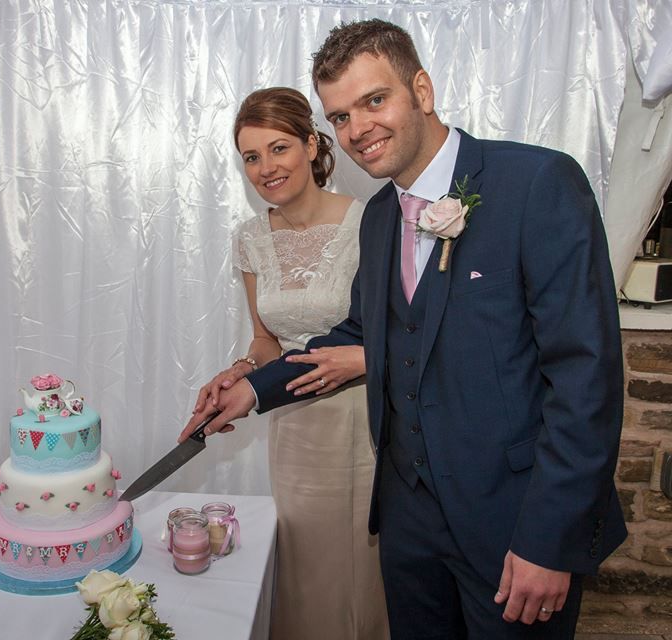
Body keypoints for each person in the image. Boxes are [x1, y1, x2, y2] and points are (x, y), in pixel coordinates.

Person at [182, 19, 626, 639]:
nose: (358, 128)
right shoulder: (380, 219)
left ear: (421, 89)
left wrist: (550, 540)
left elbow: (587, 380)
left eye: (374, 100)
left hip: (513, 523)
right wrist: (251, 391)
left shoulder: (537, 184)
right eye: (339, 116)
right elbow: (359, 332)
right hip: (408, 524)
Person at [189, 87, 388, 639]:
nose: (266, 168)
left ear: (310, 144)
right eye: (251, 157)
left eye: (278, 148)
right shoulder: (251, 239)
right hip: (293, 425)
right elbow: (265, 341)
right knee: (307, 567)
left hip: (363, 423)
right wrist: (239, 371)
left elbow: (394, 333)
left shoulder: (370, 223)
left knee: (364, 566)